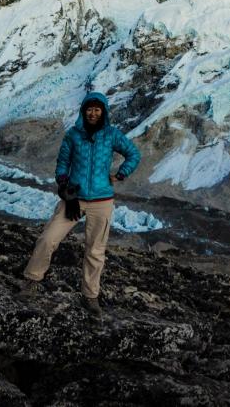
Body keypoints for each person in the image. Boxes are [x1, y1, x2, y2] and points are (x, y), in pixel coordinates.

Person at [18, 90, 140, 316]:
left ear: (103, 111)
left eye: (97, 109)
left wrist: (121, 174)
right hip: (74, 198)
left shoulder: (111, 135)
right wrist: (65, 188)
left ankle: (90, 296)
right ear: (84, 111)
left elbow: (134, 154)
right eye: (89, 109)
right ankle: (32, 280)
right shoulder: (73, 135)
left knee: (95, 251)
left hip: (102, 201)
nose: (93, 113)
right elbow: (62, 164)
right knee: (48, 238)